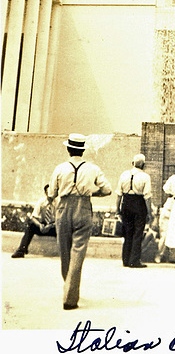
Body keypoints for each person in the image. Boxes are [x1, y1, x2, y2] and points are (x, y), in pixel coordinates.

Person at [48, 133, 112, 310]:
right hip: (84, 207)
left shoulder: (60, 168)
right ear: (82, 151)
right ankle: (71, 293)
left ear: (69, 149)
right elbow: (107, 190)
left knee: (64, 250)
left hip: (64, 207)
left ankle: (68, 290)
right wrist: (92, 193)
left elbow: (51, 193)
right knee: (78, 252)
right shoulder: (93, 168)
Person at [115, 153, 153, 268]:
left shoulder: (124, 174)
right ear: (143, 165)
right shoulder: (145, 177)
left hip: (126, 203)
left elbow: (119, 194)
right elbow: (147, 197)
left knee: (127, 232)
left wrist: (117, 208)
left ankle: (125, 260)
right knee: (138, 233)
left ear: (133, 163)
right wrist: (149, 212)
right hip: (139, 204)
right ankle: (134, 260)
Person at [11, 184, 56, 258]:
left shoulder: (58, 202)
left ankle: (66, 253)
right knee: (31, 226)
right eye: (49, 193)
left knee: (64, 229)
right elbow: (33, 217)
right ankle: (21, 251)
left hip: (53, 227)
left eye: (52, 192)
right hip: (43, 226)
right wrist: (39, 225)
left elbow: (61, 219)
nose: (51, 195)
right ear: (45, 193)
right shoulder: (41, 202)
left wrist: (51, 225)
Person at [154, 195, 174, 263]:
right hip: (166, 217)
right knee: (164, 236)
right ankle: (159, 255)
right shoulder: (170, 200)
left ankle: (172, 256)